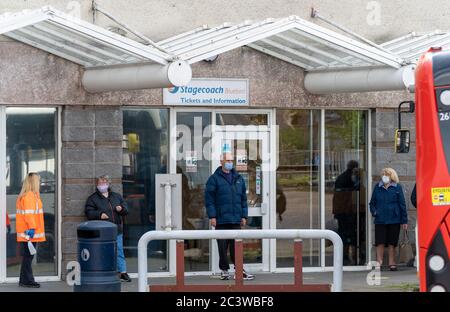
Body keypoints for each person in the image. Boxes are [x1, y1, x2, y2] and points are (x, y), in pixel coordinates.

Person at [205, 152, 254, 280]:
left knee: (236, 247)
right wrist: (212, 216)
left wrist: (244, 216)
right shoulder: (213, 179)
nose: (230, 163)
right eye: (227, 160)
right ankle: (224, 270)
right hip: (221, 220)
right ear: (221, 161)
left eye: (231, 160)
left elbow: (243, 199)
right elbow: (209, 200)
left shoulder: (239, 179)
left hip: (235, 220)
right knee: (222, 247)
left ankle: (239, 270)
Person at [85, 175, 131, 282]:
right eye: (100, 183)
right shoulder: (93, 199)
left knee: (119, 251)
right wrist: (99, 214)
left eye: (105, 183)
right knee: (103, 252)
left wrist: (121, 209)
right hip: (102, 232)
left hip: (117, 230)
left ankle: (123, 272)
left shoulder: (116, 196)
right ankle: (105, 272)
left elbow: (126, 209)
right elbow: (89, 212)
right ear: (97, 185)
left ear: (109, 184)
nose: (103, 185)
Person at [369, 168, 408, 271]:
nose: (384, 176)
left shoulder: (397, 187)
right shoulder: (377, 187)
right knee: (379, 241)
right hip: (380, 219)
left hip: (394, 219)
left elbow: (402, 204)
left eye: (387, 174)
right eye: (383, 174)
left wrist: (404, 221)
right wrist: (375, 212)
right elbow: (372, 203)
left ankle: (392, 262)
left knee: (392, 242)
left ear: (392, 176)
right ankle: (379, 262)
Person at [16, 172, 46, 288]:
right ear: (34, 182)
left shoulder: (31, 195)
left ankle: (24, 279)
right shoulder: (29, 196)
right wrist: (32, 228)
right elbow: (29, 215)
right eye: (38, 180)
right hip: (29, 232)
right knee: (28, 257)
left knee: (27, 257)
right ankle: (27, 280)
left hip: (27, 232)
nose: (40, 183)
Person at [332, 160, 359, 265]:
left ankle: (345, 256)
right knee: (349, 234)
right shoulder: (350, 178)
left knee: (343, 233)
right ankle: (349, 256)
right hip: (348, 211)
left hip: (341, 211)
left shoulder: (342, 177)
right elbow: (354, 190)